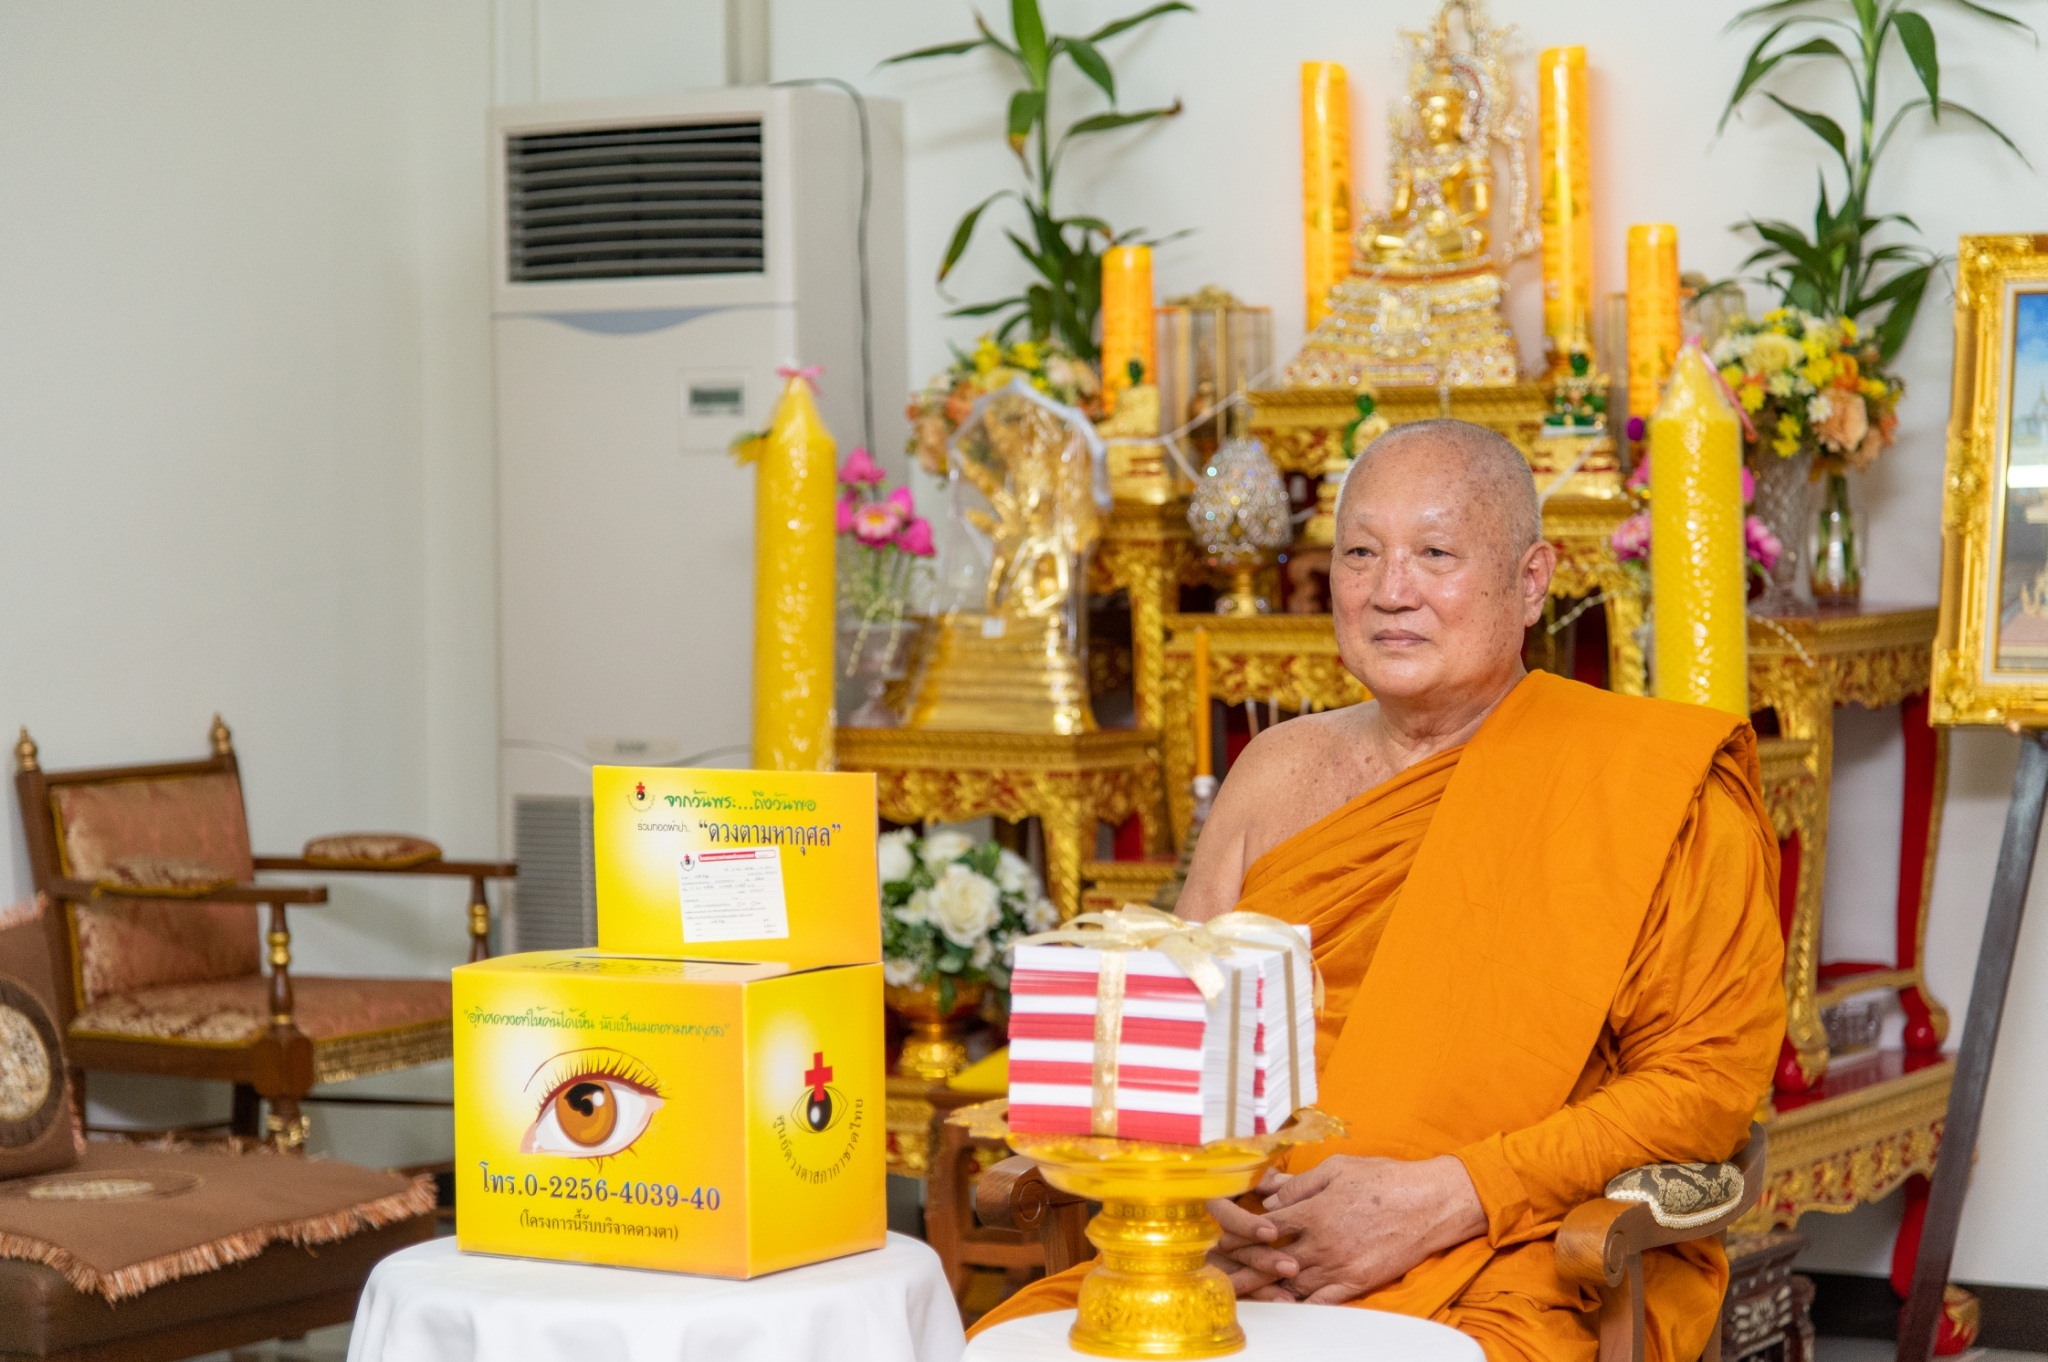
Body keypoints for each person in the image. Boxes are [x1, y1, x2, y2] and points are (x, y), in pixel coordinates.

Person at [970, 419, 1786, 1362]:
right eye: (1360, 554)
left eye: (1436, 554)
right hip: (1231, 1257)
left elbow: (1703, 1088)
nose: (1391, 591)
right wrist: (1198, 1201)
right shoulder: (1274, 771)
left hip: (1504, 1254)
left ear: (1531, 582)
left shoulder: (1644, 783)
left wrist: (1455, 1194)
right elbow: (1175, 1047)